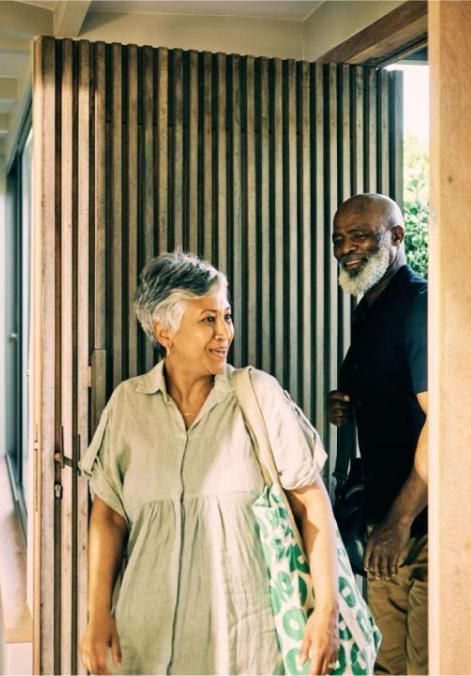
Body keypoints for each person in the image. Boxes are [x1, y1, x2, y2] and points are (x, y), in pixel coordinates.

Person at [78, 252, 341, 675]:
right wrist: (97, 615)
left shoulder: (258, 396)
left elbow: (312, 503)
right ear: (164, 331)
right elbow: (108, 515)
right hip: (145, 644)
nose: (225, 333)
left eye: (226, 317)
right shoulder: (128, 405)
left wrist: (326, 610)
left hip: (248, 648)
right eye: (207, 320)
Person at [328, 194, 429, 675]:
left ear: (396, 236)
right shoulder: (368, 307)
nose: (347, 247)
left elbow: (444, 421)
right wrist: (347, 402)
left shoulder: (419, 306)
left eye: (360, 235)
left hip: (423, 531)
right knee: (386, 669)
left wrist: (401, 521)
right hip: (383, 530)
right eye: (340, 238)